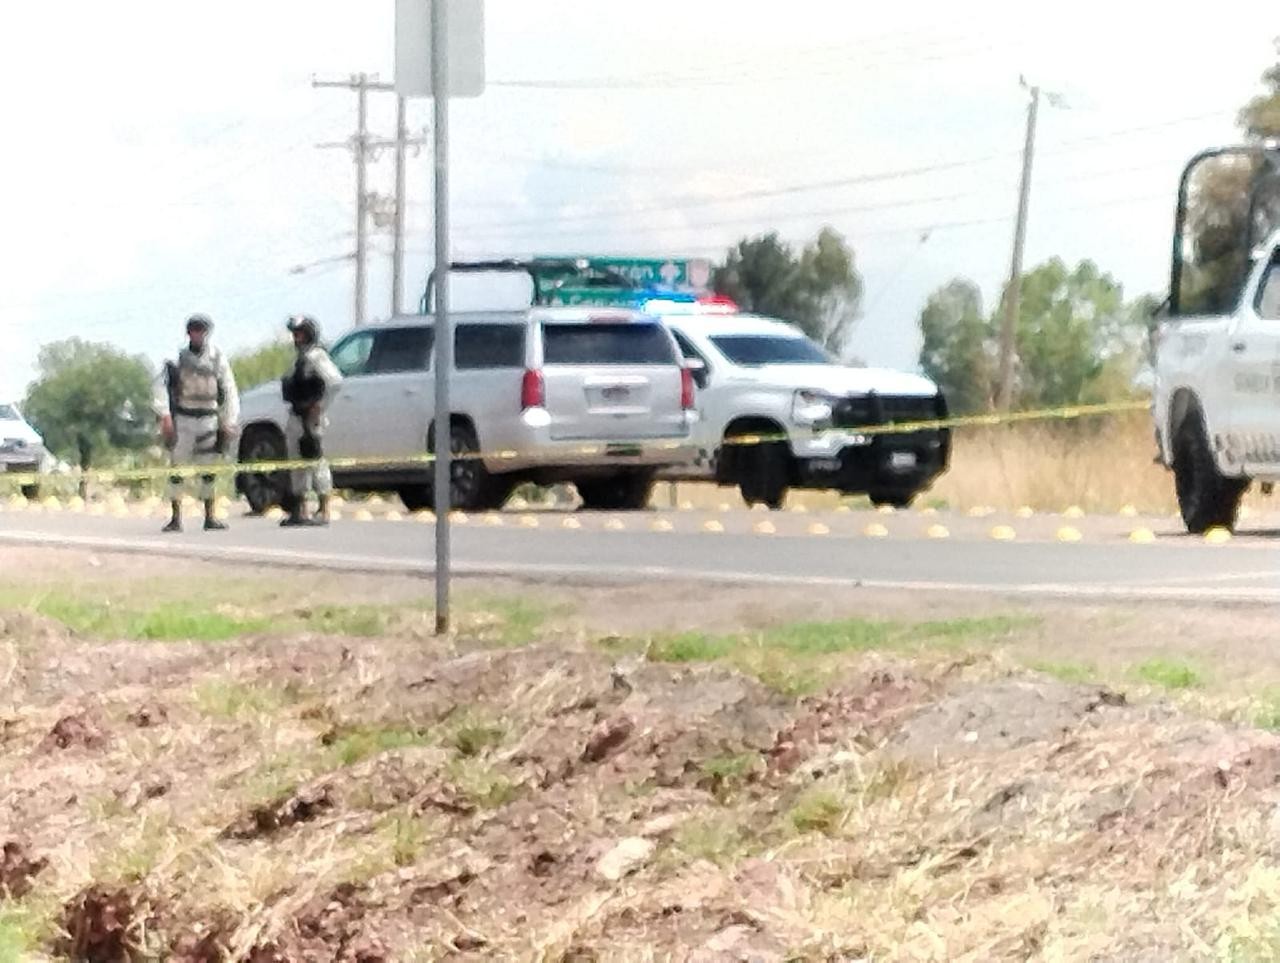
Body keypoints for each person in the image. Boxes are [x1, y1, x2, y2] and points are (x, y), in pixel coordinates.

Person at [153, 314, 239, 532]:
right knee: (177, 469)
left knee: (208, 469)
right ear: (188, 333)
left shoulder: (217, 358)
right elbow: (160, 386)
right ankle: (175, 518)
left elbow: (229, 388)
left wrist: (229, 420)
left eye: (200, 330)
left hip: (209, 418)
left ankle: (210, 516)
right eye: (193, 330)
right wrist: (165, 416)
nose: (197, 333)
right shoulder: (177, 359)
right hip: (184, 418)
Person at [280, 315, 342, 526]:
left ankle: (324, 509)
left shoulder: (316, 356)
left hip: (312, 418)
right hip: (296, 415)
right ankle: (301, 509)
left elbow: (334, 382)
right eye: (294, 333)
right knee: (297, 464)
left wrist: (319, 406)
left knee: (316, 462)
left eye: (300, 333)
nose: (296, 338)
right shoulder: (299, 358)